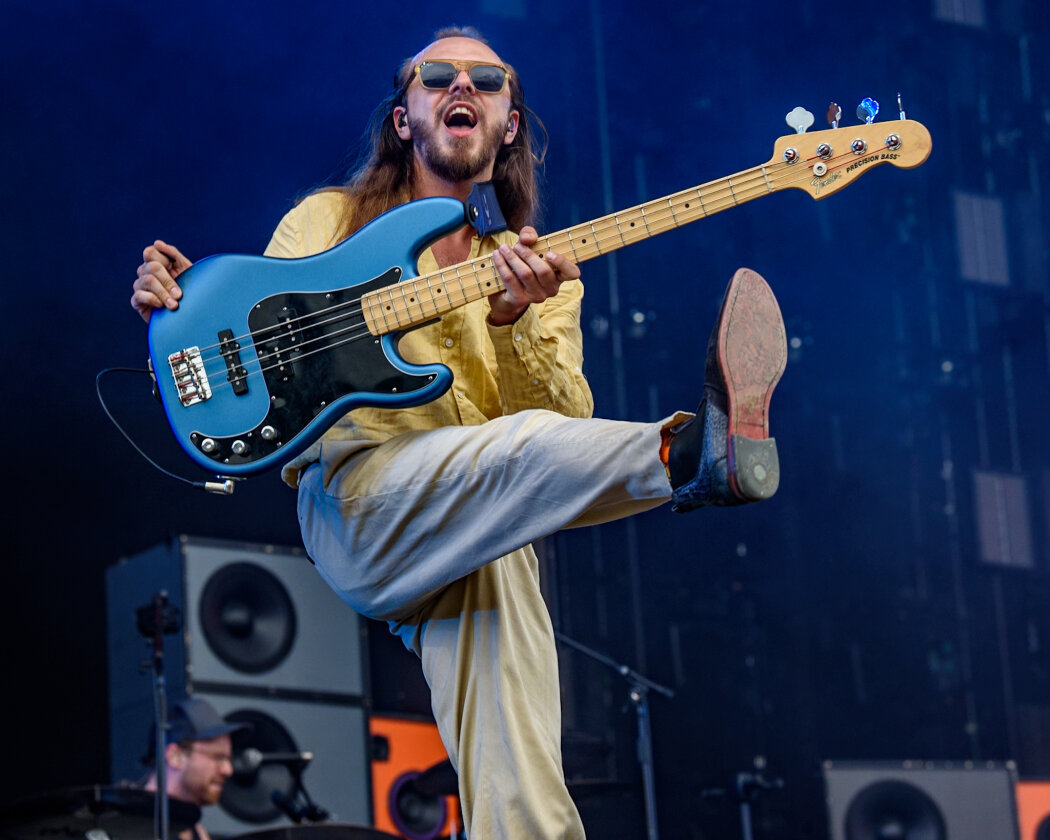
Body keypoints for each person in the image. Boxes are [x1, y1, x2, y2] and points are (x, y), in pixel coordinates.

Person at [130, 26, 787, 839]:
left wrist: (514, 322)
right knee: (517, 454)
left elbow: (564, 431)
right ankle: (688, 452)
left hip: (472, 520)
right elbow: (249, 334)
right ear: (405, 116)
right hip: (361, 502)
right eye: (437, 75)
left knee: (517, 754)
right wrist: (178, 309)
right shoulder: (326, 221)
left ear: (510, 122)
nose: (460, 86)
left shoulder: (534, 269)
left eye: (487, 80)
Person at [140, 697, 249, 840]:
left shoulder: (195, 829)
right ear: (175, 756)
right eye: (217, 757)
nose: (228, 770)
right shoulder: (122, 823)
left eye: (228, 759)